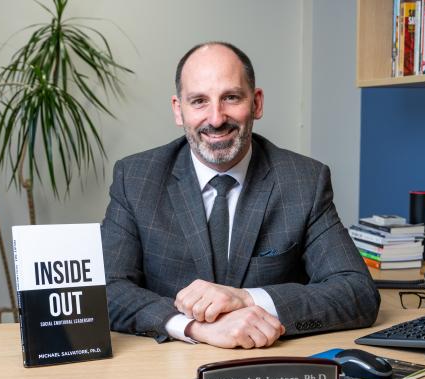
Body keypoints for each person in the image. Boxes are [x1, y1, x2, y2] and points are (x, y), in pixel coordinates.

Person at [101, 42, 380, 349]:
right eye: (199, 101)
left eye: (231, 97)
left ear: (257, 103)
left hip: (271, 363)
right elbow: (106, 288)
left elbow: (357, 292)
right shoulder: (137, 178)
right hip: (167, 366)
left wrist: (246, 298)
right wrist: (193, 327)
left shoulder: (304, 181)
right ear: (178, 110)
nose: (217, 118)